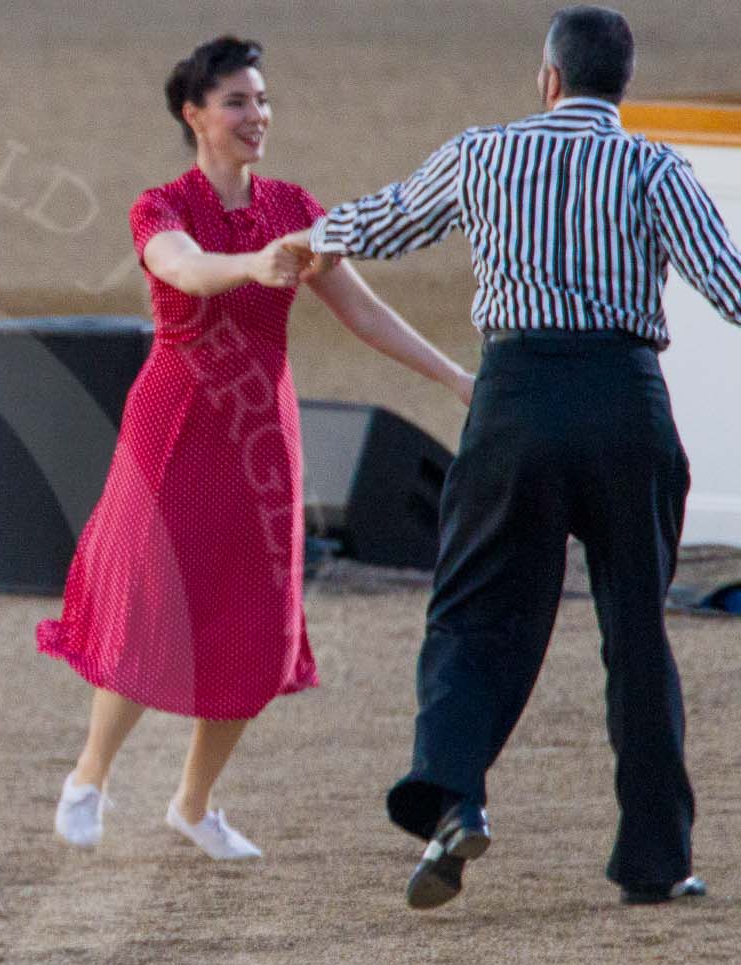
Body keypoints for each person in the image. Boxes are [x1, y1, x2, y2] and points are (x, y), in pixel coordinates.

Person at [291, 5, 740, 908]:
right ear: (624, 86)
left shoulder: (485, 153)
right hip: (625, 403)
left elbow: (385, 222)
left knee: (470, 611)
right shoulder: (655, 165)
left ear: (548, 78)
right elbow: (730, 286)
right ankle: (657, 861)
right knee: (639, 637)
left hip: (515, 403)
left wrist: (302, 240)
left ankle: (453, 796)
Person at [39, 35, 472, 860]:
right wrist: (254, 263)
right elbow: (188, 270)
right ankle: (89, 775)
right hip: (174, 425)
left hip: (261, 437)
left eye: (262, 100)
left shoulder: (292, 208)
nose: (256, 115)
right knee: (149, 602)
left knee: (255, 619)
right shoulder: (161, 206)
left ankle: (194, 804)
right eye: (237, 101)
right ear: (193, 114)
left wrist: (455, 376)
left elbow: (364, 312)